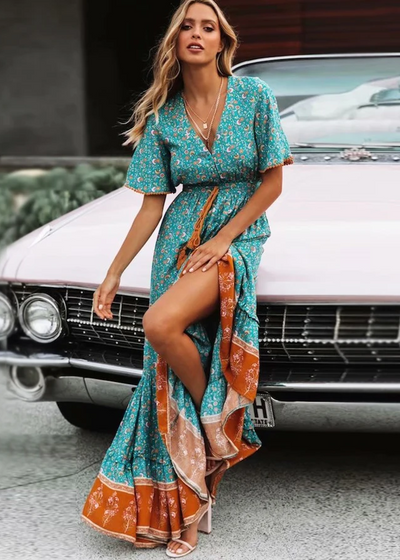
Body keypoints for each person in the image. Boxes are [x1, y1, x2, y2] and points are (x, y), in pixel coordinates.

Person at [81, 0, 294, 557]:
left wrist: (224, 240)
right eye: (187, 27)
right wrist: (112, 272)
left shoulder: (253, 96)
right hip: (178, 242)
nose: (197, 34)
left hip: (236, 236)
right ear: (175, 41)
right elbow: (152, 205)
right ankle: (199, 486)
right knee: (169, 360)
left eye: (208, 27)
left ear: (223, 41)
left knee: (160, 324)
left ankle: (213, 425)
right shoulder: (164, 116)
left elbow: (272, 183)